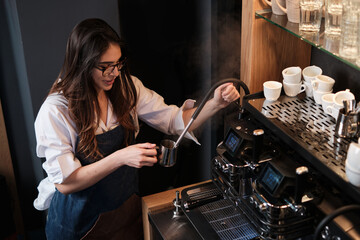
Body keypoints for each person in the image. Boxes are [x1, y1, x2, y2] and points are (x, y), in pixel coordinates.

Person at [33, 18, 240, 240]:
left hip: (125, 215)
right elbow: (66, 184)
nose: (114, 73)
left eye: (118, 63)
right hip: (78, 225)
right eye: (104, 67)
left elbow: (174, 120)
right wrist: (121, 157)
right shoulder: (56, 110)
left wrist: (215, 103)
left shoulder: (127, 87)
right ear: (82, 63)